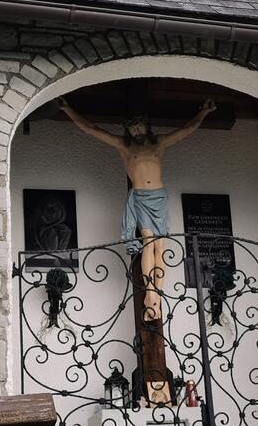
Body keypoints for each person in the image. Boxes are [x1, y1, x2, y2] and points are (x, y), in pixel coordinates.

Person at [59, 97, 216, 322]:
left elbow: (186, 129)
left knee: (160, 247)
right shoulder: (125, 146)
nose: (135, 130)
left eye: (138, 125)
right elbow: (91, 129)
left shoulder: (158, 143)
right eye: (131, 128)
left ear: (146, 126)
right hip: (141, 197)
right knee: (148, 243)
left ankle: (157, 297)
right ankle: (149, 292)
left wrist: (204, 112)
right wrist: (68, 109)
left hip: (159, 197)